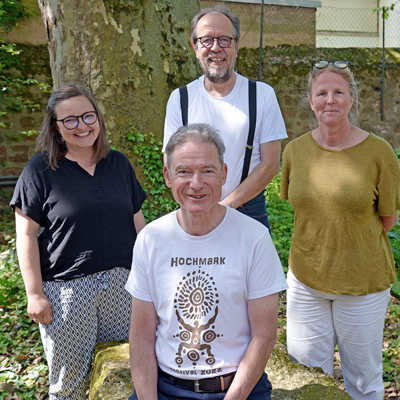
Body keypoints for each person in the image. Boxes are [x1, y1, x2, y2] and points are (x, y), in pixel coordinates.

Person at [126, 123, 287, 400]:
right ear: (167, 176)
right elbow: (141, 336)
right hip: (167, 389)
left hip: (239, 390)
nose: (196, 183)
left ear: (224, 174)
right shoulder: (152, 239)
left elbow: (264, 335)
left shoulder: (254, 238)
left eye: (207, 171)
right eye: (184, 172)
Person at [10, 84, 147, 399]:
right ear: (56, 128)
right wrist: (35, 294)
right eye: (70, 120)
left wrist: (150, 276)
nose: (82, 125)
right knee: (68, 384)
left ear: (98, 118)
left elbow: (138, 222)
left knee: (123, 375)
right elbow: (26, 236)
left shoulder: (118, 164)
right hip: (67, 293)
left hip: (123, 286)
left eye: (88, 116)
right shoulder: (39, 172)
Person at [280, 60, 400, 400]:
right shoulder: (295, 151)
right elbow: (304, 208)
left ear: (351, 99)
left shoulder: (379, 153)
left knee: (363, 381)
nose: (329, 100)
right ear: (310, 100)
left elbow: (387, 218)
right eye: (322, 93)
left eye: (338, 92)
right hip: (306, 280)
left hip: (362, 282)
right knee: (307, 377)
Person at [163, 6, 287, 229]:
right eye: (206, 40)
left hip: (248, 210)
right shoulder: (180, 98)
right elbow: (171, 163)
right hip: (195, 208)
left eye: (224, 40)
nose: (215, 48)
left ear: (237, 46)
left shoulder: (261, 95)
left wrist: (225, 208)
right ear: (195, 47)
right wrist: (199, 205)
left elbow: (270, 164)